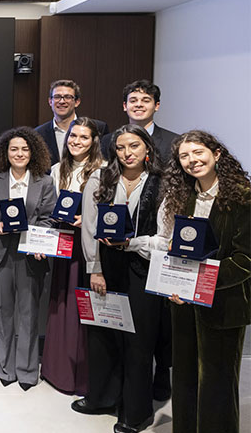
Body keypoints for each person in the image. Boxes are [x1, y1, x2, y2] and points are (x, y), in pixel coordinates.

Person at [151, 131, 250, 433]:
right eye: (184, 156)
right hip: (182, 304)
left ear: (217, 153)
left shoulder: (244, 197)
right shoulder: (182, 196)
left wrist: (197, 283)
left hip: (224, 305)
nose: (192, 161)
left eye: (198, 153)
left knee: (217, 385)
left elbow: (245, 260)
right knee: (184, 379)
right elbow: (177, 247)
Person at [73, 124, 164, 433]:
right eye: (122, 147)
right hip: (105, 266)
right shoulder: (100, 178)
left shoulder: (161, 183)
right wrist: (94, 268)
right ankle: (101, 397)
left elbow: (163, 235)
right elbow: (89, 226)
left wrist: (134, 245)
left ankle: (136, 412)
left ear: (147, 149)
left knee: (139, 341)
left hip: (144, 268)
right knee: (102, 334)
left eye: (134, 146)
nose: (128, 153)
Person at [100, 79, 177, 401]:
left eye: (146, 100)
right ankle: (121, 396)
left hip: (152, 261)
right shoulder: (107, 153)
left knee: (153, 333)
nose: (127, 152)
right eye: (133, 100)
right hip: (114, 262)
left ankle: (154, 389)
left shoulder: (171, 144)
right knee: (119, 332)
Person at [0, 126, 56, 391]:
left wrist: (40, 239)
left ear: (33, 152)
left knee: (28, 313)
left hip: (30, 254)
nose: (19, 153)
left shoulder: (44, 181)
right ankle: (5, 367)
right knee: (3, 312)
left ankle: (26, 371)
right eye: (14, 148)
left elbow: (49, 217)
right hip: (0, 252)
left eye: (25, 149)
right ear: (6, 151)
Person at [40, 117, 105, 395]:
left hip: (89, 246)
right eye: (73, 136)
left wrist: (88, 220)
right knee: (62, 304)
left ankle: (84, 377)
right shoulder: (57, 169)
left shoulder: (103, 170)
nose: (77, 141)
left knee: (86, 308)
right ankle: (59, 371)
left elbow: (110, 211)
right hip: (64, 243)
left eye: (84, 137)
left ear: (94, 142)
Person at [102, 80, 178, 164]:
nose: (139, 105)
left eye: (146, 101)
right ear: (125, 106)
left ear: (156, 106)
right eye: (133, 101)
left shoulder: (173, 141)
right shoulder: (108, 140)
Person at [36, 80, 109, 166]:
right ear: (50, 101)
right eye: (57, 97)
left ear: (77, 102)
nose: (62, 101)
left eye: (67, 97)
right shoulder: (38, 134)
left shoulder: (99, 127)